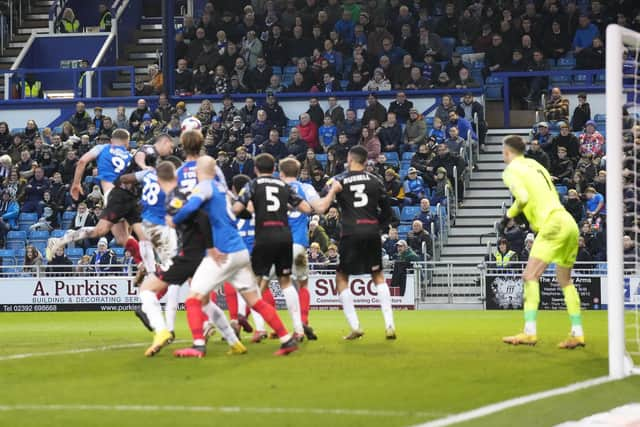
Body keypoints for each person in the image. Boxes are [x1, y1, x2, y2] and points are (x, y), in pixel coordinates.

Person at [232, 153, 329, 347]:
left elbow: (238, 209)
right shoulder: (299, 187)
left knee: (257, 284)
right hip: (294, 242)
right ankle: (301, 325)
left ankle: (250, 319)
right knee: (296, 284)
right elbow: (308, 209)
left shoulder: (258, 186)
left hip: (266, 238)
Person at [499, 135, 584, 349]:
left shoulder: (511, 170)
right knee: (565, 281)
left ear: (507, 152)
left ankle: (529, 332)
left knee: (529, 276)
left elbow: (524, 197)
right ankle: (577, 332)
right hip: (568, 222)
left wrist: (508, 215)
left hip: (552, 225)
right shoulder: (535, 165)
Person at [45, 129, 147, 276]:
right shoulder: (129, 156)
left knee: (121, 237)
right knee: (103, 231)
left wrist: (76, 183)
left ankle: (144, 263)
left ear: (112, 140)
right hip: (120, 197)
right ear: (127, 142)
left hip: (113, 197)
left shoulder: (102, 148)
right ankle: (148, 264)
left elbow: (82, 161)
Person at [326, 145, 397, 339]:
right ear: (366, 162)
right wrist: (378, 227)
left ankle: (355, 326)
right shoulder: (376, 180)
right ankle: (390, 325)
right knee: (378, 275)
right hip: (372, 231)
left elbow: (326, 195)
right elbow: (389, 213)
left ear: (350, 159)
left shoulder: (340, 180)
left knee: (341, 277)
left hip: (350, 232)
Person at [279, 157, 336, 339]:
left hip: (275, 244)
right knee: (302, 283)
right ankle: (303, 321)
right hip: (298, 245)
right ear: (298, 173)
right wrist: (331, 192)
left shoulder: (273, 188)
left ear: (281, 173)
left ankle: (264, 327)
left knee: (263, 284)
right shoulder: (306, 188)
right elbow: (319, 208)